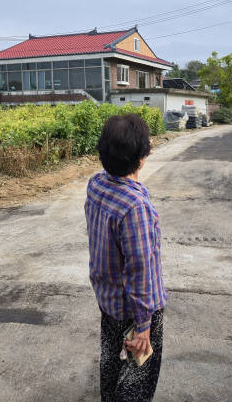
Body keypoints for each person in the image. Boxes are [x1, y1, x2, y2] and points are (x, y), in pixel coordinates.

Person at [85, 114, 167, 402]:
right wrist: (143, 324)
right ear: (141, 158)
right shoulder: (135, 207)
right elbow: (141, 270)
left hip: (108, 299)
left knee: (111, 358)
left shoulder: (96, 185)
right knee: (136, 380)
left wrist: (138, 149)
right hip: (134, 309)